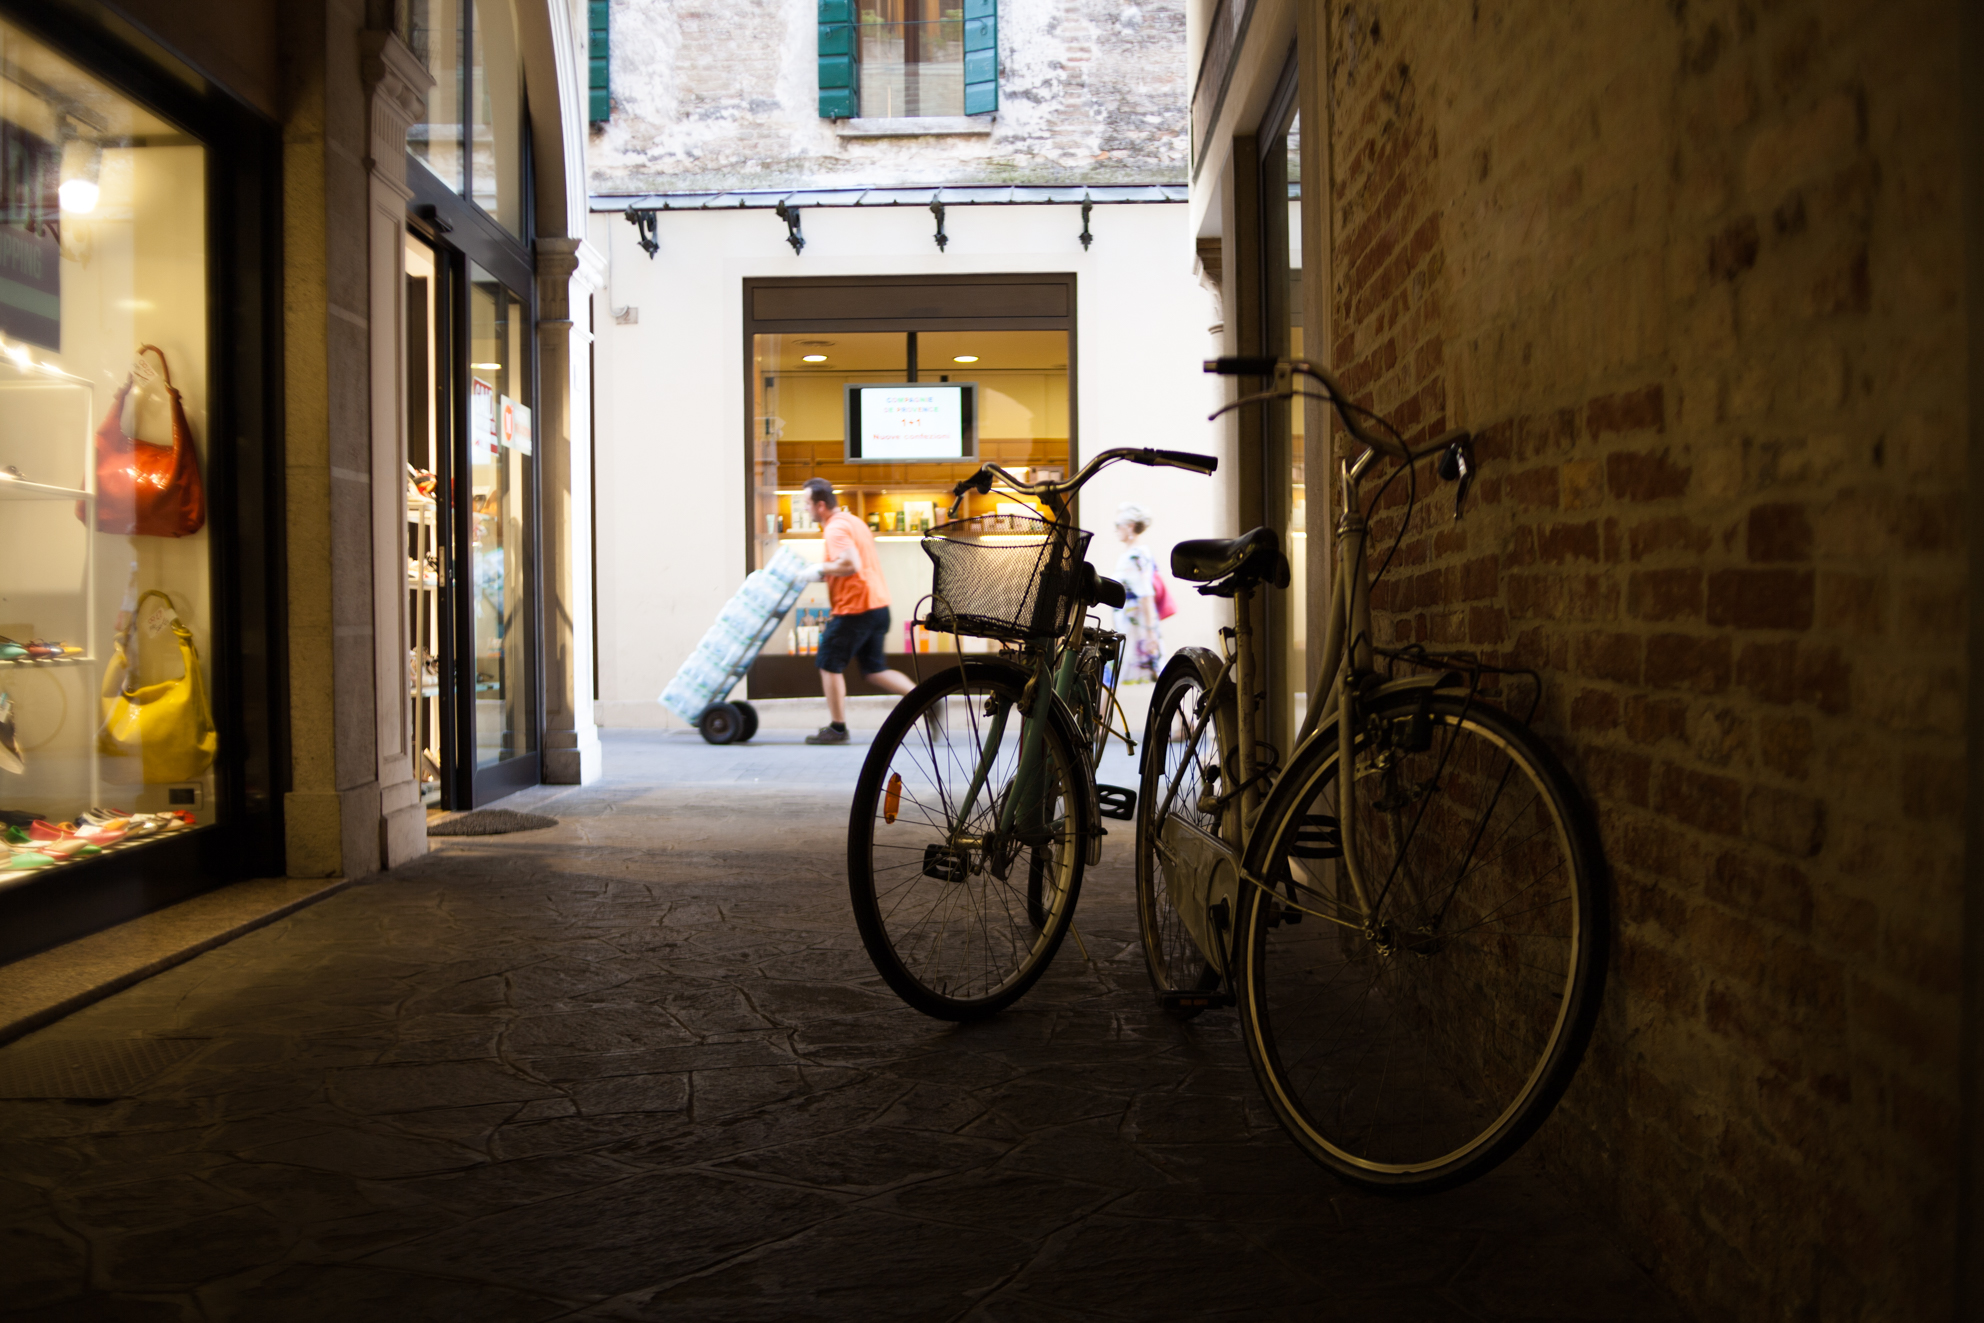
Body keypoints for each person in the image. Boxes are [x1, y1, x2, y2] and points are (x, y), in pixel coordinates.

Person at [797, 478, 915, 744]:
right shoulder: (853, 521)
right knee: (874, 669)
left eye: (807, 504)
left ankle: (838, 728)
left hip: (855, 608)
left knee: (828, 662)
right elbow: (852, 564)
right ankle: (924, 701)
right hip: (877, 605)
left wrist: (821, 568)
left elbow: (851, 563)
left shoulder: (835, 528)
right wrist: (825, 574)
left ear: (821, 505)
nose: (805, 509)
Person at [1113, 502, 1164, 682]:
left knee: (1109, 678)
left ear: (1130, 527)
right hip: (1133, 633)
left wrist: (1150, 633)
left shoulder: (1136, 556)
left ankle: (1100, 712)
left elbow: (1146, 595)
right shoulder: (1134, 554)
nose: (1116, 529)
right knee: (1160, 680)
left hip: (1137, 635)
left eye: (1118, 525)